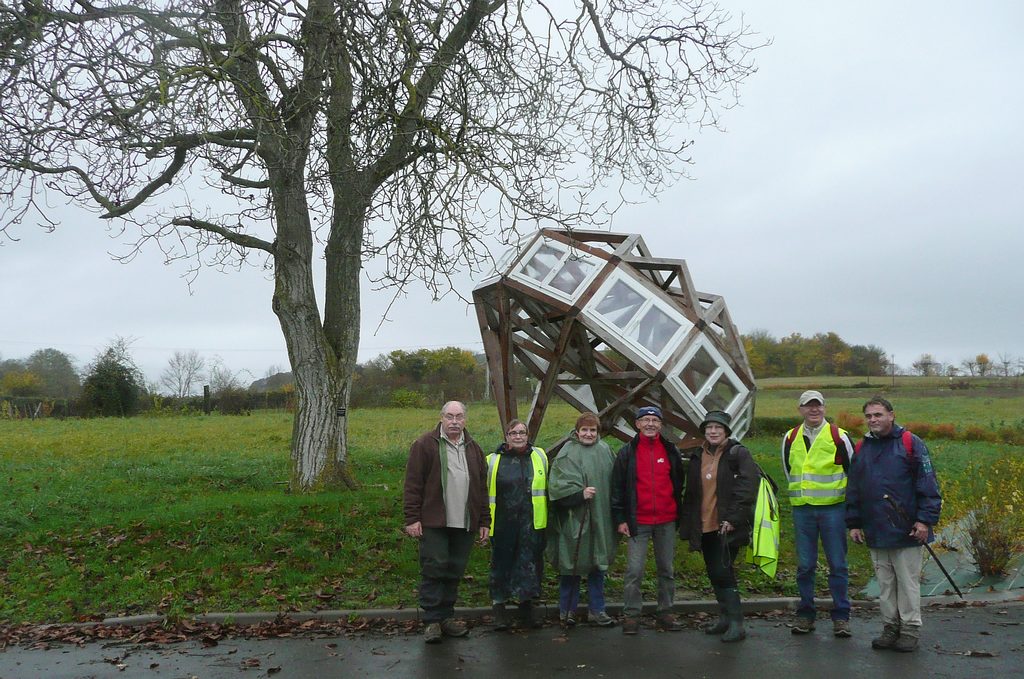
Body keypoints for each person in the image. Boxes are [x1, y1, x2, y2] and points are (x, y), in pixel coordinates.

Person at [846, 397, 942, 653]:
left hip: (907, 528)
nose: (873, 420)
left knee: (907, 583)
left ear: (891, 415)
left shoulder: (911, 443)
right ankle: (890, 627)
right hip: (875, 529)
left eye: (878, 414)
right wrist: (854, 523)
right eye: (868, 416)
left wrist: (924, 520)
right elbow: (854, 487)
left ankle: (910, 629)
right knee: (885, 584)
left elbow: (928, 484)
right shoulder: (861, 448)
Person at [403, 401, 490, 644]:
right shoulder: (424, 445)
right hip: (434, 521)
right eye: (449, 416)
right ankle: (432, 621)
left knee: (454, 570)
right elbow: (412, 485)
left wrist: (484, 521)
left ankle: (446, 618)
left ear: (465, 420)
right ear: (441, 418)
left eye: (459, 416)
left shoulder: (474, 448)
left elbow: (482, 490)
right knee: (435, 566)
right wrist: (412, 518)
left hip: (464, 522)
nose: (454, 421)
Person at [679, 410, 758, 643]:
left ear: (726, 431)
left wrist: (733, 519)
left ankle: (736, 623)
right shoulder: (697, 455)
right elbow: (692, 493)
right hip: (704, 525)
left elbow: (747, 487)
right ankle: (724, 618)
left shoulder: (737, 453)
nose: (713, 431)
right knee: (714, 572)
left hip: (727, 525)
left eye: (718, 428)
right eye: (709, 428)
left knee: (723, 571)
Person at [782, 390, 855, 637]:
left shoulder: (839, 436)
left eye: (818, 406)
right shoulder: (790, 437)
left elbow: (853, 473)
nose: (813, 410)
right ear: (800, 409)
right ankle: (806, 614)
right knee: (805, 565)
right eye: (808, 406)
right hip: (802, 510)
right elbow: (788, 470)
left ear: (824, 408)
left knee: (838, 564)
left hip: (833, 509)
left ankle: (841, 616)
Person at [611, 405, 685, 635]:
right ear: (638, 424)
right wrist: (620, 518)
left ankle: (666, 613)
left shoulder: (670, 450)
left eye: (655, 420)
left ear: (661, 425)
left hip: (666, 520)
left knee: (666, 569)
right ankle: (632, 615)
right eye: (646, 420)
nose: (650, 424)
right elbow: (617, 488)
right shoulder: (627, 452)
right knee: (634, 571)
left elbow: (678, 482)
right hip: (638, 521)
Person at [548, 412, 618, 628]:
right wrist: (579, 494)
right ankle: (566, 609)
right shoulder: (567, 453)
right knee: (572, 566)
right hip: (575, 520)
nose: (588, 434)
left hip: (602, 518)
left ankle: (597, 610)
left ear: (598, 432)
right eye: (585, 430)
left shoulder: (605, 450)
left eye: (593, 430)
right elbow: (557, 488)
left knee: (598, 565)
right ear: (577, 431)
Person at [486, 419, 548, 630]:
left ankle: (526, 607)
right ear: (506, 436)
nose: (518, 436)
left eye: (522, 432)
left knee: (529, 565)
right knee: (501, 564)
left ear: (528, 435)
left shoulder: (539, 456)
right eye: (514, 433)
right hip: (503, 522)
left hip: (531, 523)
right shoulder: (493, 461)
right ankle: (499, 609)